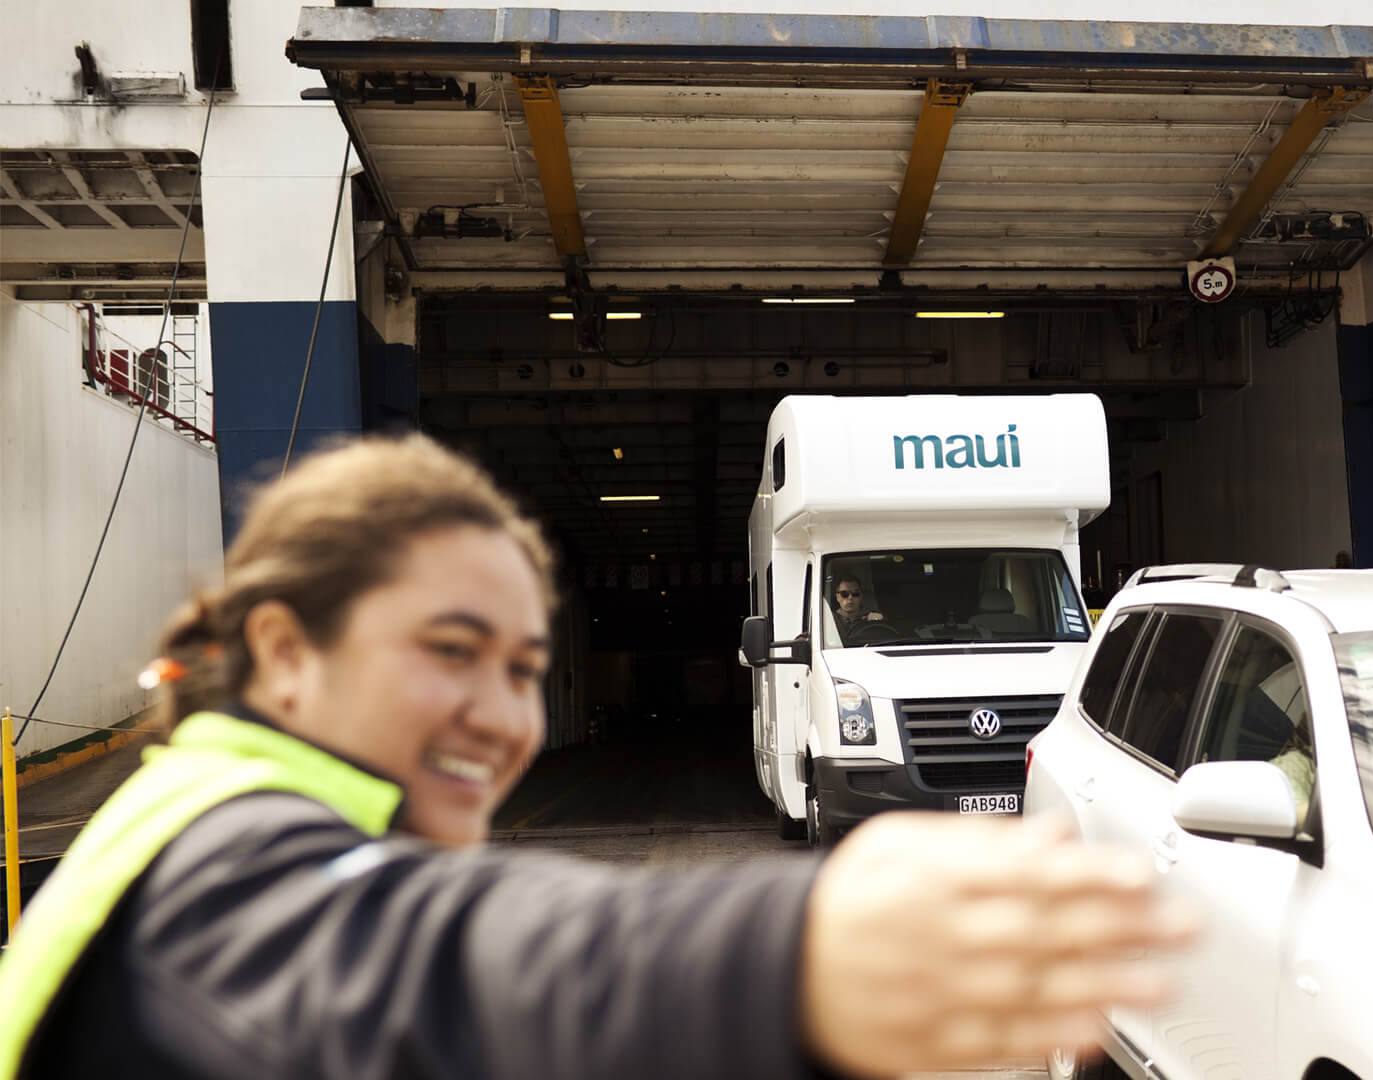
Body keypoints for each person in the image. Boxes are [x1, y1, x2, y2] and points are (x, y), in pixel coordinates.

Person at [0, 434, 1193, 1080]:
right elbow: (444, 960)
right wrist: (782, 954)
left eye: (522, 668)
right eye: (450, 649)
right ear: (287, 653)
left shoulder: (201, 810)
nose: (501, 712)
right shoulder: (217, 858)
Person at [831, 575, 886, 639]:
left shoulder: (874, 617)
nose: (850, 597)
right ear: (837, 597)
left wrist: (880, 621)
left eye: (855, 593)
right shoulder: (830, 620)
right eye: (844, 594)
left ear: (861, 596)